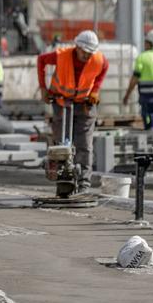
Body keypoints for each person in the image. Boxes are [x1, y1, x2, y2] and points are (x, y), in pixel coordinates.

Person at [37, 30, 109, 192]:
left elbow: (104, 68)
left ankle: (84, 182)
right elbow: (41, 60)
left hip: (85, 104)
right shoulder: (61, 56)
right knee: (61, 142)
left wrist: (95, 90)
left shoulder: (99, 60)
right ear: (77, 47)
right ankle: (63, 177)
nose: (87, 56)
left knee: (84, 144)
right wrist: (43, 88)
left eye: (91, 53)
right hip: (62, 102)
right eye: (85, 52)